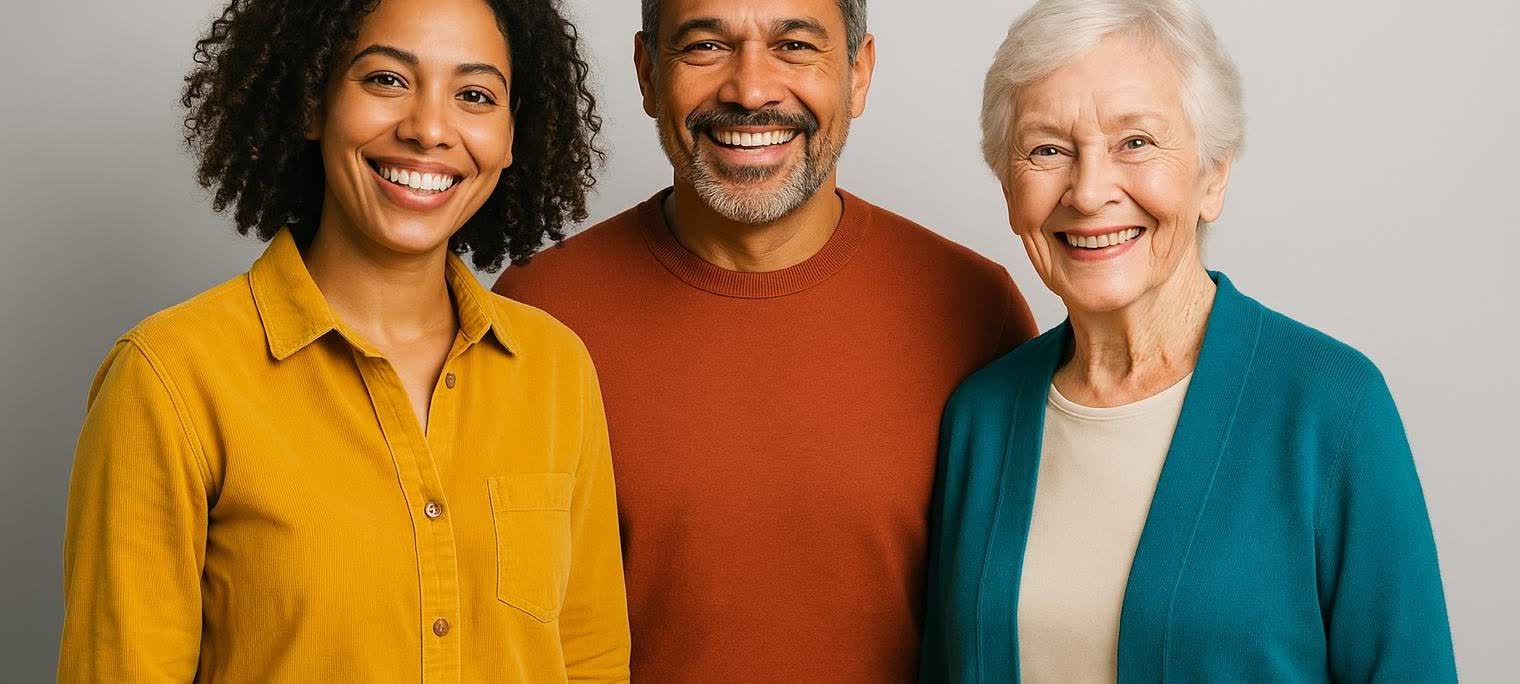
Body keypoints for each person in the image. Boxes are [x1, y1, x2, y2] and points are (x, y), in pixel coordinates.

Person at [59, 0, 630, 680]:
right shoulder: (169, 377)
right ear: (312, 102)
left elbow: (590, 661)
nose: (429, 129)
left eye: (475, 95)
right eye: (387, 80)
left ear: (512, 137)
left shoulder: (555, 367)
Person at [493, 0, 1038, 680]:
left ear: (858, 73)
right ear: (646, 73)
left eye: (795, 46)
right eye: (704, 46)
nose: (750, 90)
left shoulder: (976, 311)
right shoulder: (536, 315)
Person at [919, 0, 1457, 681]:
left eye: (1135, 143)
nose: (1088, 192)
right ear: (1007, 183)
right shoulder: (980, 418)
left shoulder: (1333, 409)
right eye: (1047, 149)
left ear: (1214, 175)